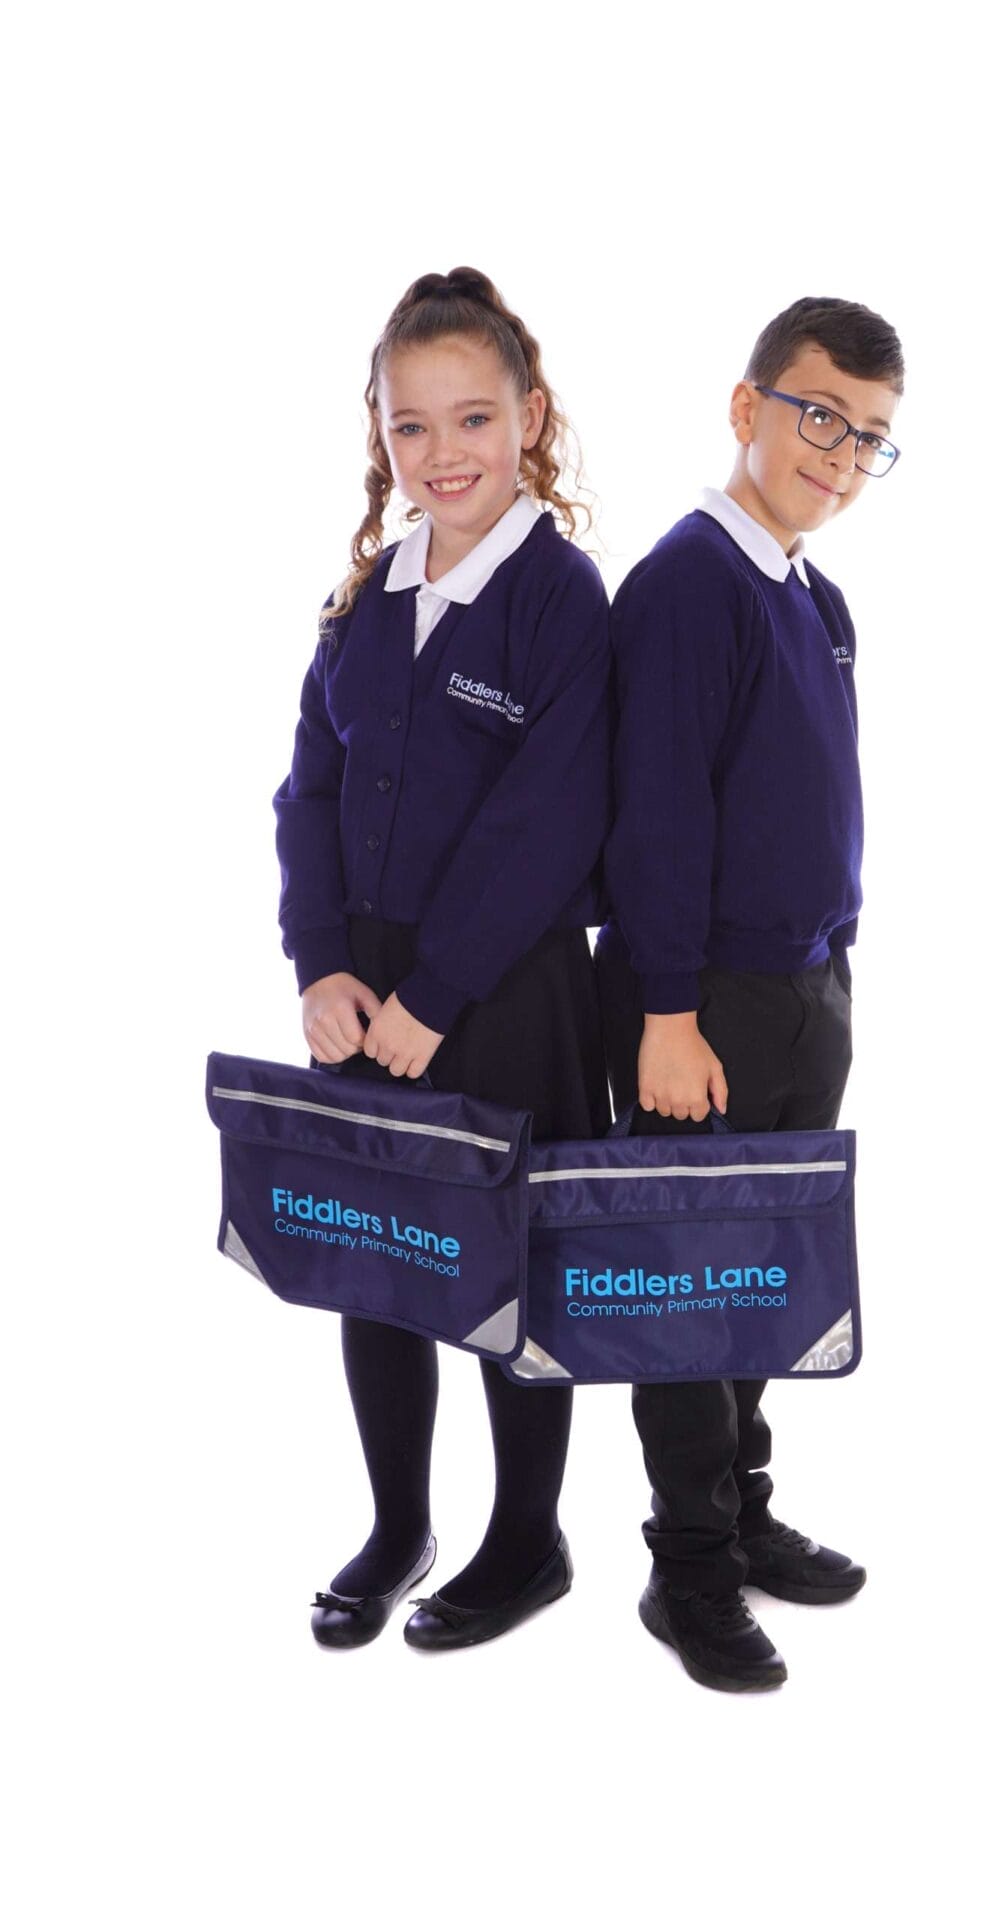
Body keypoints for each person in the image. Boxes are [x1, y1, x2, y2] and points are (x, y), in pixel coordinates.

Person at [273, 266, 612, 1652]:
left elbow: (551, 819)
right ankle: (398, 1524)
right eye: (410, 425)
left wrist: (439, 992)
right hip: (365, 992)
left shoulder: (561, 595)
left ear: (530, 418)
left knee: (511, 1267)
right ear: (381, 433)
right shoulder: (367, 595)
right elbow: (307, 794)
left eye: (474, 418)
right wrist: (319, 965)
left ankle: (528, 1539)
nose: (443, 453)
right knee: (381, 1259)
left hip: (508, 986)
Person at [594, 295, 905, 1691]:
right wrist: (667, 1013)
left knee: (763, 1271)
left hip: (803, 990)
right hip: (699, 1003)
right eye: (820, 416)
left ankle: (743, 1506)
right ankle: (689, 1567)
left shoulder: (813, 598)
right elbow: (655, 818)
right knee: (686, 1281)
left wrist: (831, 969)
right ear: (748, 407)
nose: (842, 455)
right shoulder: (688, 585)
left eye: (872, 436)